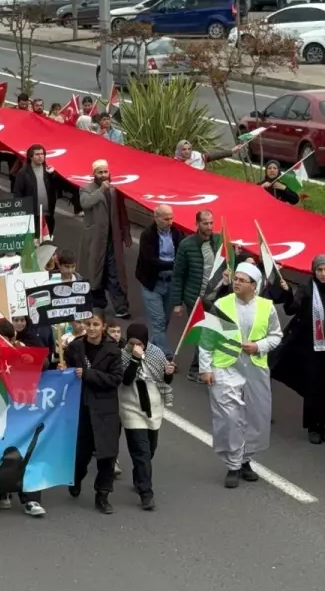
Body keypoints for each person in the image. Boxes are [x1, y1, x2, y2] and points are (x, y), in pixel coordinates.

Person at [198, 262, 283, 488]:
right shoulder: (222, 304)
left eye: (241, 280)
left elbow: (276, 335)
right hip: (225, 367)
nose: (236, 282)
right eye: (235, 279)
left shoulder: (267, 307)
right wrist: (206, 368)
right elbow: (207, 339)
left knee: (256, 418)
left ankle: (245, 460)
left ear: (254, 286)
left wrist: (259, 346)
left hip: (254, 367)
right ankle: (233, 465)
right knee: (230, 417)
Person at [272, 254, 325, 444]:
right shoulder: (307, 289)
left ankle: (324, 424)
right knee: (313, 386)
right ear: (314, 271)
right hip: (311, 348)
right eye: (320, 270)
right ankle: (313, 427)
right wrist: (287, 292)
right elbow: (291, 309)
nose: (324, 274)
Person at [64, 310, 124, 514]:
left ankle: (103, 494)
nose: (91, 328)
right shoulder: (75, 346)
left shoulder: (113, 350)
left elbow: (115, 379)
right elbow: (68, 368)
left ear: (103, 327)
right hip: (82, 406)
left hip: (105, 409)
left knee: (107, 455)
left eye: (95, 325)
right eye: (88, 324)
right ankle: (76, 477)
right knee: (82, 452)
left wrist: (89, 374)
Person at [119, 323, 175, 510]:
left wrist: (169, 374)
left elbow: (163, 380)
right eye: (132, 342)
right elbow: (125, 380)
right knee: (141, 452)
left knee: (150, 450)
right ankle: (146, 493)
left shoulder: (156, 353)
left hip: (153, 407)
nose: (136, 346)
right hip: (131, 407)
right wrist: (134, 360)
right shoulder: (122, 355)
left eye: (139, 343)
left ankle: (139, 476)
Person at [171, 210, 223, 381]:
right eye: (205, 223)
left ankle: (201, 368)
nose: (209, 227)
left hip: (215, 297)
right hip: (195, 299)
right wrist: (177, 302)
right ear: (197, 224)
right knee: (203, 334)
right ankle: (195, 370)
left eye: (211, 223)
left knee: (211, 334)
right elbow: (178, 275)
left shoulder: (218, 240)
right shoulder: (186, 245)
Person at [78, 159, 131, 318]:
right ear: (94, 174)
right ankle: (98, 304)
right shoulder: (86, 189)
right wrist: (101, 190)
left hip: (113, 240)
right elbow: (85, 204)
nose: (103, 175)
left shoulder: (115, 191)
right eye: (100, 172)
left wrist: (126, 233)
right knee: (97, 272)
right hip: (95, 240)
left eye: (105, 172)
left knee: (116, 273)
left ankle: (120, 306)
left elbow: (122, 212)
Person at [135, 204, 182, 357]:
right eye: (166, 219)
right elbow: (150, 261)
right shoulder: (147, 235)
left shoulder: (176, 233)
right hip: (152, 284)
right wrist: (173, 264)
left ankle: (150, 349)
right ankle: (166, 356)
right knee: (159, 321)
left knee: (164, 321)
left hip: (170, 283)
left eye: (171, 218)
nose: (170, 222)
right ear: (156, 218)